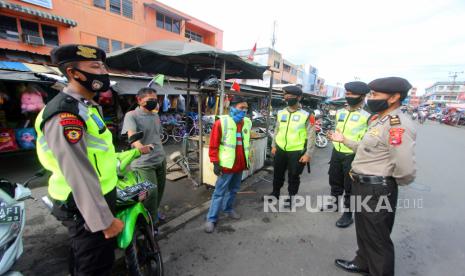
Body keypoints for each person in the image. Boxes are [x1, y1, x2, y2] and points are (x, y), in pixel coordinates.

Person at [35, 44, 151, 275]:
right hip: (81, 203)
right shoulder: (65, 114)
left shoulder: (86, 107)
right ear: (73, 73)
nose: (102, 72)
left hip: (100, 194)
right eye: (95, 66)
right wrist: (103, 220)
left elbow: (100, 154)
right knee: (95, 266)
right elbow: (77, 172)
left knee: (92, 258)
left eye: (103, 66)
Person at [331, 77, 416, 276]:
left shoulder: (397, 124)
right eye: (370, 94)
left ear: (394, 97)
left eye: (376, 95)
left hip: (377, 188)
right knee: (365, 232)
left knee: (378, 239)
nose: (371, 98)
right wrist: (345, 140)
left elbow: (405, 168)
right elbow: (366, 148)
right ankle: (363, 263)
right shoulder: (379, 119)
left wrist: (387, 183)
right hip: (363, 184)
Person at [324, 81, 371, 228]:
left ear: (362, 96)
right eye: (347, 93)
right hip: (337, 151)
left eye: (351, 94)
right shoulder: (340, 112)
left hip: (353, 154)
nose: (348, 96)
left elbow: (369, 140)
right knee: (334, 178)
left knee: (350, 186)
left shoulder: (368, 116)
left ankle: (348, 214)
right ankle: (334, 202)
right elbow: (338, 129)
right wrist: (331, 134)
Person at [205, 96, 251, 233]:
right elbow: (213, 145)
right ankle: (211, 219)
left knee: (234, 190)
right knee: (219, 192)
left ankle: (228, 209)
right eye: (241, 108)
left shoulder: (247, 122)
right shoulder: (221, 122)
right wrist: (215, 162)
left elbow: (245, 143)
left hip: (240, 164)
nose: (244, 111)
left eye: (246, 108)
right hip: (226, 166)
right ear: (233, 107)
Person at [122, 87, 167, 221]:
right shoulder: (132, 115)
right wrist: (141, 147)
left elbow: (157, 135)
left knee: (159, 191)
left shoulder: (155, 115)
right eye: (151, 100)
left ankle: (153, 213)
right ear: (139, 100)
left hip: (160, 158)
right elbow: (132, 136)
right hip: (144, 163)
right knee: (149, 194)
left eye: (156, 99)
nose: (154, 102)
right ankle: (150, 221)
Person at [267, 85, 315, 207]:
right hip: (280, 149)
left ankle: (291, 197)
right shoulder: (281, 112)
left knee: (293, 176)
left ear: (299, 97)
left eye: (291, 96)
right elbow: (277, 130)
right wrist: (273, 145)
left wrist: (308, 153)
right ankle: (275, 193)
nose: (288, 98)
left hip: (297, 151)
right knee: (277, 173)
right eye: (286, 96)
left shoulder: (307, 115)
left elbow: (311, 136)